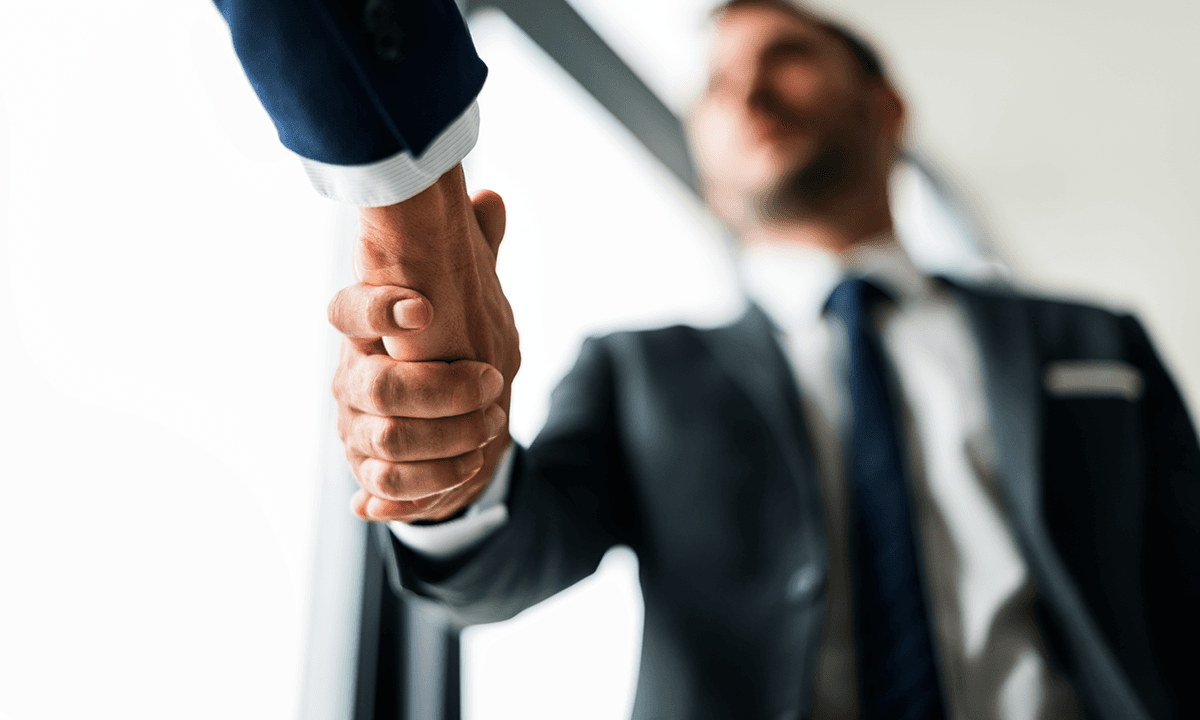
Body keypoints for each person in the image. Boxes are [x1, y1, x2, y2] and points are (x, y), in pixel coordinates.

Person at [215, 0, 1199, 718]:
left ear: (887, 106)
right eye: (719, 86)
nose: (751, 90)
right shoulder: (641, 372)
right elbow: (511, 563)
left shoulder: (1092, 341)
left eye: (788, 54)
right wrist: (446, 473)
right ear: (711, 172)